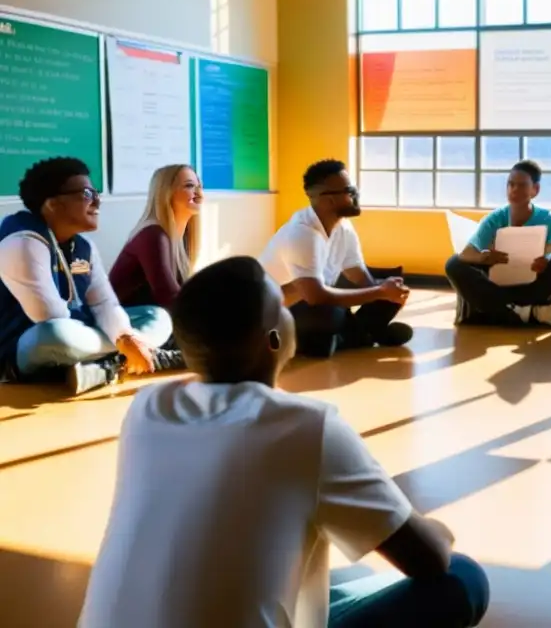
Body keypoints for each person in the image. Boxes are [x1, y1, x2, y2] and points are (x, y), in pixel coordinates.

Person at [79, 256, 489, 628]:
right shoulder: (304, 425)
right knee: (461, 578)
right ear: (274, 339)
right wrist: (439, 530)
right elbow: (429, 559)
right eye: (284, 307)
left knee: (348, 575)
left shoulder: (147, 408)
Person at [0, 158, 175, 395]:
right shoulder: (21, 241)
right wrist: (122, 339)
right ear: (53, 204)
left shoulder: (84, 247)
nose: (97, 200)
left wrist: (125, 335)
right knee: (57, 334)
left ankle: (103, 367)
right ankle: (135, 356)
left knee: (157, 317)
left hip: (80, 336)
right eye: (86, 193)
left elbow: (104, 303)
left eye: (96, 192)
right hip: (23, 346)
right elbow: (48, 315)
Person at [260, 159, 412, 357]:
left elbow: (360, 277)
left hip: (317, 300)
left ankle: (355, 336)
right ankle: (362, 335)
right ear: (328, 199)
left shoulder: (343, 227)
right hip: (280, 313)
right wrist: (379, 292)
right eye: (349, 191)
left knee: (390, 289)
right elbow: (315, 296)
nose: (355, 195)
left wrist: (387, 291)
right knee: (328, 314)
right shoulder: (302, 234)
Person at [445, 160, 551, 327]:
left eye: (521, 185)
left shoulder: (548, 218)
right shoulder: (495, 218)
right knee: (453, 263)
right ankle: (506, 306)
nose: (514, 189)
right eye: (510, 184)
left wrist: (547, 261)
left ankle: (504, 306)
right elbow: (466, 253)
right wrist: (483, 257)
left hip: (533, 283)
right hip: (496, 281)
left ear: (535, 190)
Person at [110, 164, 202, 310]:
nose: (199, 194)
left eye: (199, 187)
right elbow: (168, 297)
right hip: (126, 319)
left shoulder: (182, 239)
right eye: (190, 186)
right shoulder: (153, 234)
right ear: (166, 193)